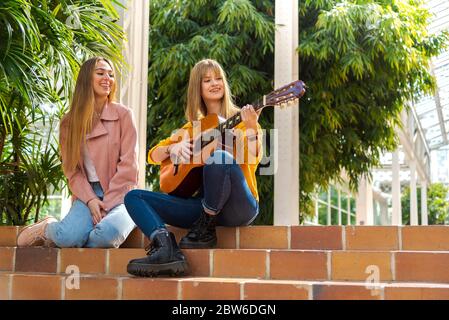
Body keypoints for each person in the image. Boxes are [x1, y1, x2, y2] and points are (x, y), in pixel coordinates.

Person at [124, 59, 263, 277]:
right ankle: (166, 248)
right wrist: (173, 148)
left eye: (218, 78)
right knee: (133, 197)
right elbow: (153, 155)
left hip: (239, 206)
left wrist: (253, 127)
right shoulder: (192, 129)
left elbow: (255, 158)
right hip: (201, 208)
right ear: (197, 88)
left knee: (219, 157)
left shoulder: (244, 119)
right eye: (207, 80)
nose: (214, 83)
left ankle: (206, 225)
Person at [17, 57, 138, 248]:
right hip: (88, 192)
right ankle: (46, 228)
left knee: (105, 237)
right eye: (100, 73)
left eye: (111, 74)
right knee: (68, 238)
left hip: (122, 194)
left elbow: (129, 166)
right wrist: (90, 200)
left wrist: (107, 203)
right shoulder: (69, 123)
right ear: (86, 79)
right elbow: (72, 170)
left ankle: (79, 234)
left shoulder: (124, 115)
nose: (107, 78)